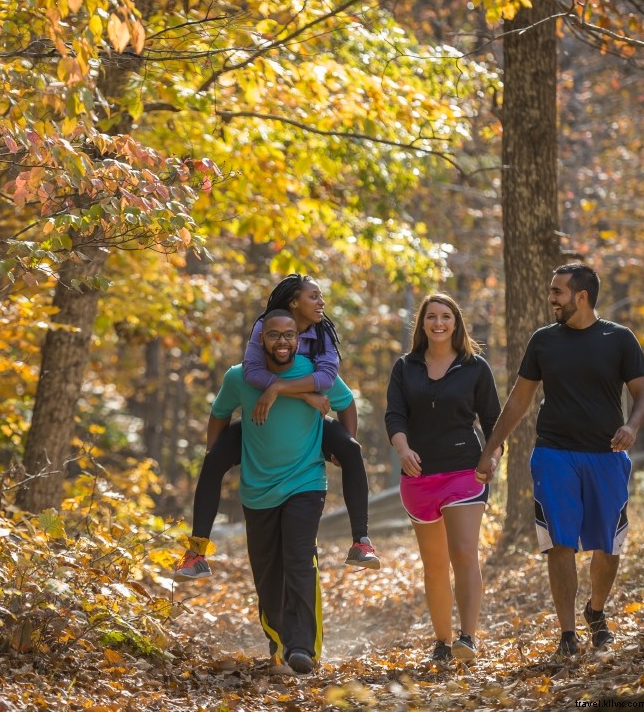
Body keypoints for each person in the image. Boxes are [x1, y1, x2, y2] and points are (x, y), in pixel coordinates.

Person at [476, 263, 644, 658]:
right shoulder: (543, 341)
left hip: (607, 455)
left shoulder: (620, 339)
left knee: (608, 548)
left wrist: (633, 426)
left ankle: (596, 611)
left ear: (581, 297)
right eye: (551, 291)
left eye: (557, 292)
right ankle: (568, 633)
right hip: (554, 453)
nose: (551, 299)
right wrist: (491, 449)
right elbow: (520, 400)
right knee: (560, 544)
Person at [176, 274, 379, 580]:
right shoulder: (264, 327)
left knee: (351, 449)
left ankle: (360, 542)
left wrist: (290, 393)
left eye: (320, 297)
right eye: (314, 296)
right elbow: (254, 373)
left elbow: (328, 382)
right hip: (260, 420)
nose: (321, 302)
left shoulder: (323, 334)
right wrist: (214, 450)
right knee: (213, 460)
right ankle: (196, 554)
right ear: (294, 302)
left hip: (308, 422)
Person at [206, 309, 356, 674]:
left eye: (290, 335)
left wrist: (344, 445)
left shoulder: (314, 373)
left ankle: (303, 646)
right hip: (257, 489)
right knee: (267, 569)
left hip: (306, 482)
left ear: (298, 339)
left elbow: (346, 403)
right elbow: (219, 413)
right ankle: (280, 641)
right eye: (274, 335)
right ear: (261, 339)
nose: (283, 341)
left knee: (299, 557)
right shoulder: (240, 378)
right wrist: (217, 457)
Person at [385, 293, 501, 663]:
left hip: (465, 470)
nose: (438, 323)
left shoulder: (475, 367)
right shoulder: (406, 367)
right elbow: (395, 416)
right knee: (434, 566)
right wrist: (403, 451)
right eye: (431, 316)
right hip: (418, 476)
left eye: (445, 316)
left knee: (464, 551)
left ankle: (468, 637)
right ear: (421, 324)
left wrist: (493, 456)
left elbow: (493, 422)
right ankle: (442, 641)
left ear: (456, 322)